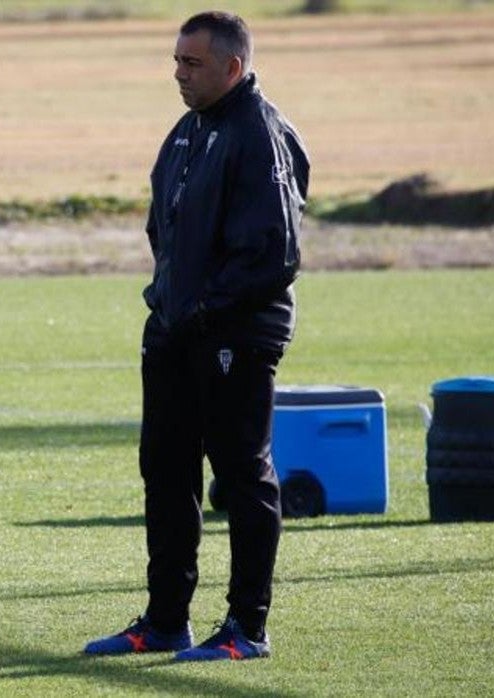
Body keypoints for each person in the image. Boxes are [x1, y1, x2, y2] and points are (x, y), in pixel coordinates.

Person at [82, 11, 308, 662]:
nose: (179, 74)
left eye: (193, 63)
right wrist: (167, 304)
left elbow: (275, 254)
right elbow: (166, 228)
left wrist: (207, 308)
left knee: (242, 474)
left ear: (233, 67)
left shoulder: (258, 134)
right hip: (178, 330)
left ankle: (247, 627)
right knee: (166, 469)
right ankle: (164, 620)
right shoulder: (187, 132)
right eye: (176, 61)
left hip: (236, 332)